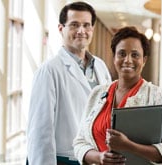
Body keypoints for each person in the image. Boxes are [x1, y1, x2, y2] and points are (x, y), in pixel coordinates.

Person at [73, 26, 162, 164]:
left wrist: (129, 146)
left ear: (144, 60)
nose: (128, 60)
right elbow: (79, 143)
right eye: (122, 54)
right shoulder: (97, 93)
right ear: (114, 58)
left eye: (135, 55)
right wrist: (100, 157)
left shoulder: (157, 96)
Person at [27, 1, 112, 165]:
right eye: (74, 25)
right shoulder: (49, 71)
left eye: (86, 25)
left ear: (92, 29)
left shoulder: (100, 67)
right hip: (66, 159)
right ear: (61, 28)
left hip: (96, 157)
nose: (81, 31)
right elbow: (40, 131)